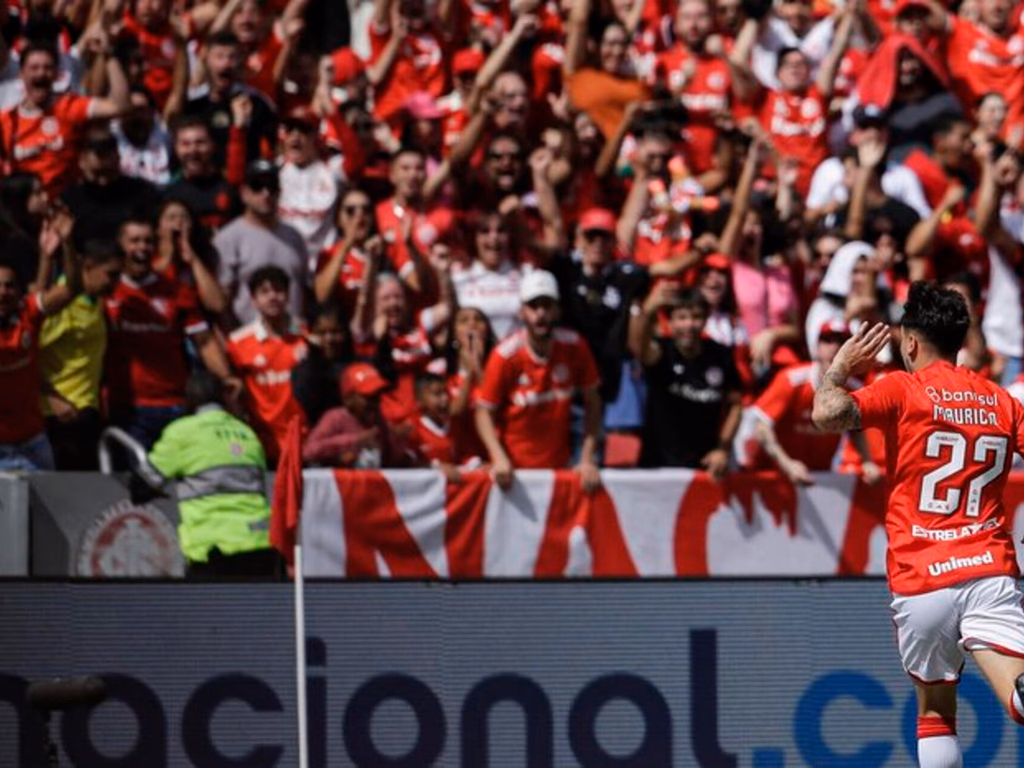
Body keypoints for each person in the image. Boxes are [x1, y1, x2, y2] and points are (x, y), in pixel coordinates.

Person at [812, 282, 1024, 768]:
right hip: (987, 569)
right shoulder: (1002, 401)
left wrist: (840, 368)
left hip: (921, 577)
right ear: (960, 341)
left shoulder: (903, 389)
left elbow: (826, 414)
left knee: (935, 711)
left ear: (909, 342)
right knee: (1016, 699)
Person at [147, 370, 283, 580]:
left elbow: (146, 480)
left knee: (212, 612)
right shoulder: (246, 432)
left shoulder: (181, 431)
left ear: (190, 399)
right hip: (261, 543)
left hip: (214, 547)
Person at [475, 270, 603, 491]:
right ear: (522, 312)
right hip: (514, 475)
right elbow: (484, 412)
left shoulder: (575, 347)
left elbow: (593, 401)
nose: (541, 314)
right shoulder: (505, 356)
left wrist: (587, 457)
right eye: (534, 306)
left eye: (547, 305)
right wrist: (498, 457)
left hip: (560, 469)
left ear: (558, 309)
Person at [630, 284, 743, 475]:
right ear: (670, 322)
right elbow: (638, 349)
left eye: (696, 317)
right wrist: (648, 311)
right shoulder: (661, 352)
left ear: (706, 319)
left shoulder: (721, 355)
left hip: (704, 468)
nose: (689, 324)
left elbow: (736, 404)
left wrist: (723, 449)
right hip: (658, 466)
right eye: (682, 318)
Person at [41, 240, 124, 470]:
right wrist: (51, 398)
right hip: (59, 416)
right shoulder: (61, 305)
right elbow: (26, 355)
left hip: (87, 412)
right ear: (87, 266)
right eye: (111, 275)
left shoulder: (95, 300)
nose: (115, 283)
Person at [226, 265, 309, 464]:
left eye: (279, 290)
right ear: (253, 300)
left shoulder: (305, 337)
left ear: (288, 296)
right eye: (264, 292)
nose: (273, 297)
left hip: (302, 440)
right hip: (260, 440)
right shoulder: (238, 342)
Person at [215, 159, 309, 328]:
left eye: (272, 187)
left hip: (293, 339)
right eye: (257, 187)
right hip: (250, 341)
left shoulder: (294, 237)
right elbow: (221, 302)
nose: (266, 194)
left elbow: (305, 290)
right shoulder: (228, 238)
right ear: (244, 193)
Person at [302, 361, 406, 467]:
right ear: (349, 399)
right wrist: (355, 440)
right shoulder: (335, 418)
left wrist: (396, 438)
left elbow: (394, 460)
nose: (374, 403)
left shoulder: (378, 421)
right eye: (368, 397)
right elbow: (308, 451)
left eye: (377, 397)